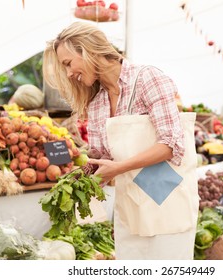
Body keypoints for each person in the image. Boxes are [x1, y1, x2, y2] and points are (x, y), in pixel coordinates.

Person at [42, 22, 198, 260]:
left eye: (68, 63)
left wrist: (118, 168)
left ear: (87, 50)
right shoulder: (97, 102)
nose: (69, 73)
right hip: (132, 202)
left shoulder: (148, 78)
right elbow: (103, 157)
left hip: (166, 196)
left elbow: (170, 145)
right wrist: (78, 177)